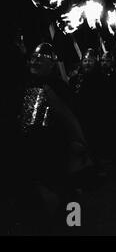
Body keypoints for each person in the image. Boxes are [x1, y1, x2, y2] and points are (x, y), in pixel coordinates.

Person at [10, 43, 91, 234]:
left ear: (52, 64)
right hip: (29, 149)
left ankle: (74, 225)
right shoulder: (23, 85)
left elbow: (72, 119)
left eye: (41, 58)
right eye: (34, 58)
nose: (35, 61)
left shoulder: (60, 88)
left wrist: (75, 143)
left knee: (66, 192)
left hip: (55, 149)